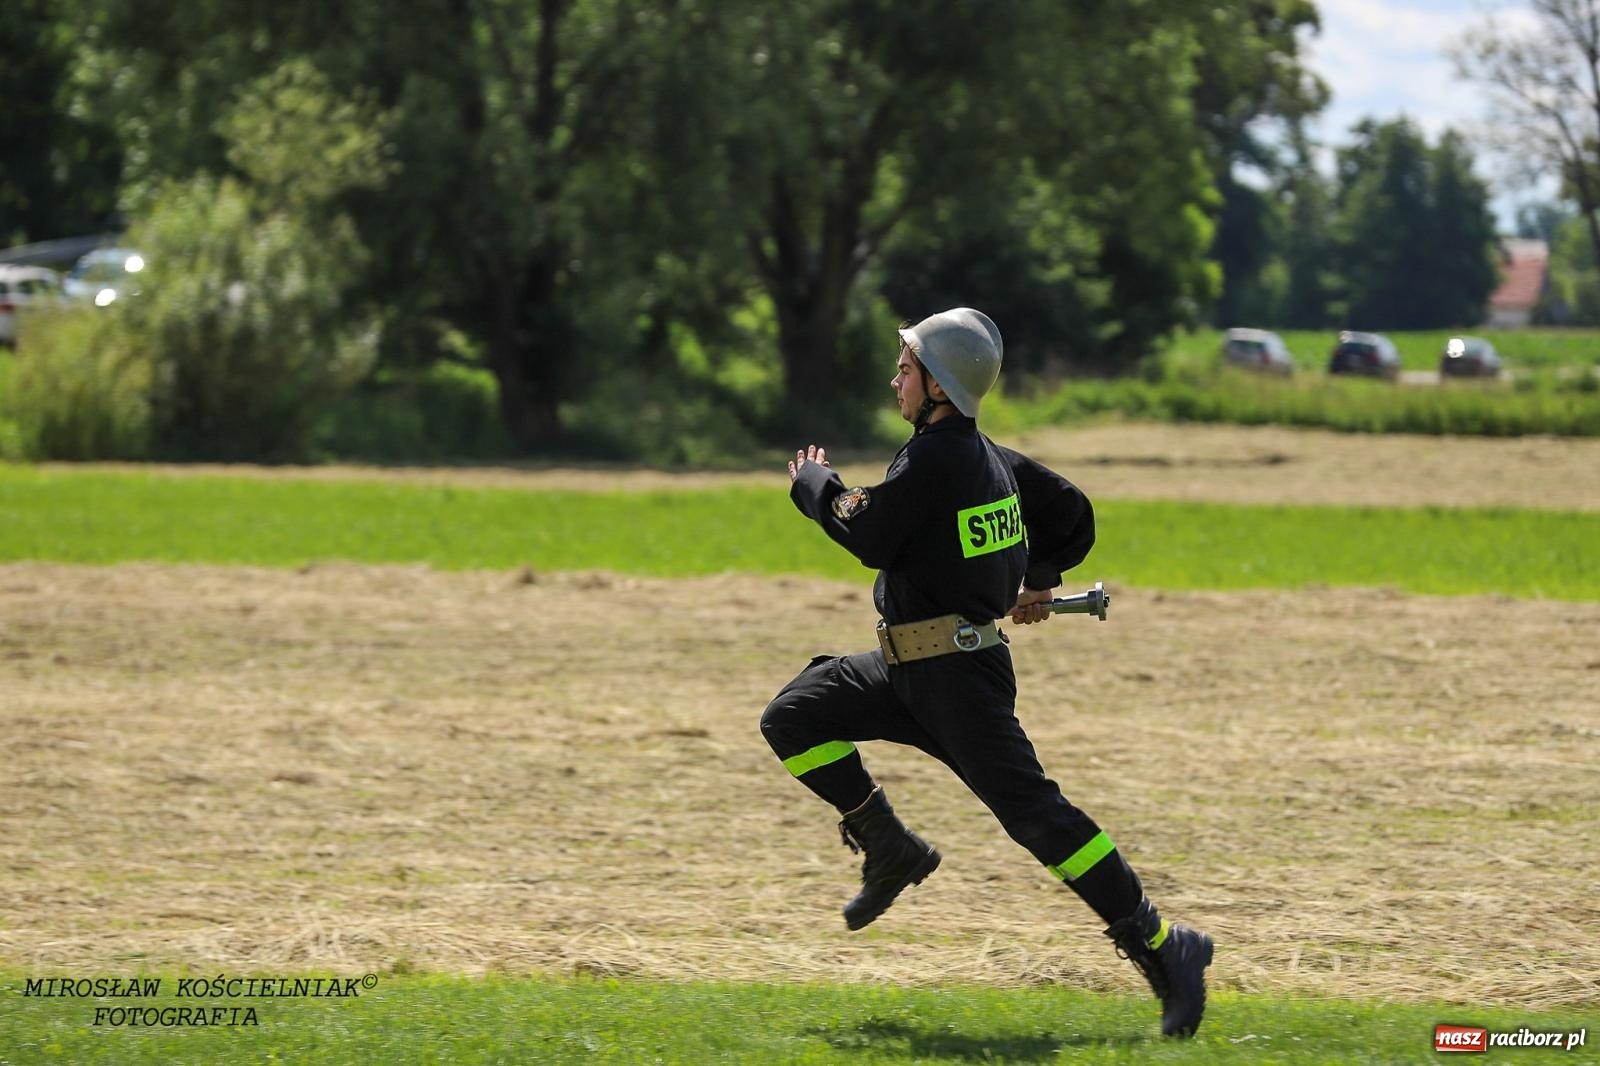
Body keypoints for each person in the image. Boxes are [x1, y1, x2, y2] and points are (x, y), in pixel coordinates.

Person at [759, 308, 1214, 1038]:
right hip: (910, 671)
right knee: (793, 716)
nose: (894, 379)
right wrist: (1036, 574)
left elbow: (868, 530)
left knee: (1039, 818)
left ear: (939, 384)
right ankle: (888, 846)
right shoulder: (986, 457)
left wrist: (815, 484)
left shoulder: (939, 460)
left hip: (958, 683)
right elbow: (1071, 515)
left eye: (905, 368)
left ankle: (1166, 950)